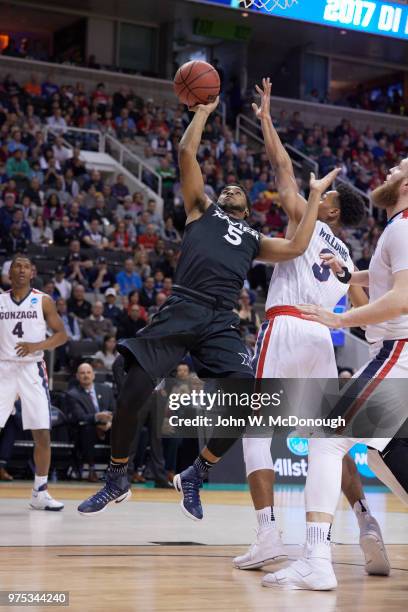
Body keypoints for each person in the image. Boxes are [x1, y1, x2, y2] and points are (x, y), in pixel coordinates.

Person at [77, 95, 340, 516]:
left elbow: (297, 245)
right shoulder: (200, 210)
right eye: (227, 188)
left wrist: (312, 199)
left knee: (247, 399)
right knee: (134, 391)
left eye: (238, 190)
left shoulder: (254, 238)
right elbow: (185, 152)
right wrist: (202, 111)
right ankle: (117, 477)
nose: (231, 187)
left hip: (221, 319)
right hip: (184, 306)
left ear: (249, 209)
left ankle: (197, 471)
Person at [234, 78, 389, 577]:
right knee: (327, 441)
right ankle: (366, 521)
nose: (313, 190)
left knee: (254, 432)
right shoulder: (348, 258)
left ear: (332, 209)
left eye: (323, 192)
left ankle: (268, 536)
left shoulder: (311, 222)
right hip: (323, 337)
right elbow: (370, 314)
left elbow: (282, 171)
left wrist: (265, 120)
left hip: (285, 328)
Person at [264, 158, 408, 590]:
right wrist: (351, 275)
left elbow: (401, 299)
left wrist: (339, 319)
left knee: (326, 440)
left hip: (398, 351)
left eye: (397, 169)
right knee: (389, 458)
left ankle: (316, 559)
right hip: (396, 353)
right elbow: (386, 279)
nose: (388, 173)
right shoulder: (398, 228)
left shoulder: (403, 227)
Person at [0, 255, 67, 510]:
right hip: (3, 368)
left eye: (26, 266)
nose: (20, 270)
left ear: (32, 273)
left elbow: (61, 335)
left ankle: (40, 492)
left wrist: (35, 346)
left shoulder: (43, 301)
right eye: (16, 266)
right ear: (9, 273)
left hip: (32, 369)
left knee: (42, 432)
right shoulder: (1, 301)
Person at [66, 363, 115, 482]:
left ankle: (115, 470)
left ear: (93, 375)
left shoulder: (106, 390)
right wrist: (97, 418)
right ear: (77, 376)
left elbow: (114, 410)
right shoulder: (73, 394)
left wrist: (109, 422)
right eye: (82, 373)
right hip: (87, 429)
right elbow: (79, 416)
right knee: (88, 430)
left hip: (107, 426)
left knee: (120, 431)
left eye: (88, 372)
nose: (86, 375)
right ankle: (91, 470)